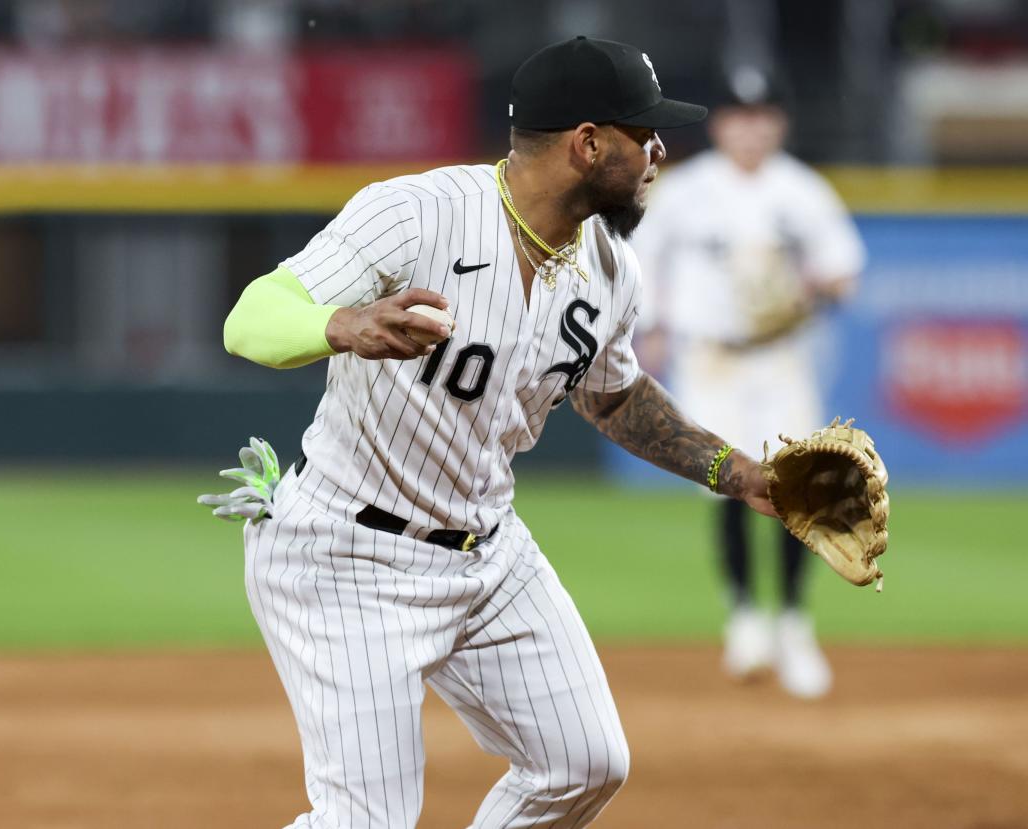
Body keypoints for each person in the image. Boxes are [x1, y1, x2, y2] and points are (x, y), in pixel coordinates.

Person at [204, 36, 779, 828]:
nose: (658, 151)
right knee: (364, 819)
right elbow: (250, 319)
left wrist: (739, 473)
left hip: (489, 550)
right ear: (586, 143)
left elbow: (614, 398)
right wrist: (344, 324)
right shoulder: (416, 215)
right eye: (642, 132)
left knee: (584, 764)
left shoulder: (610, 267)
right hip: (345, 553)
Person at [629, 65, 866, 699]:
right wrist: (651, 329)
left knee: (800, 484)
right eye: (738, 117)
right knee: (729, 483)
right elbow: (644, 263)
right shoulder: (684, 192)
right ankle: (744, 617)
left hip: (781, 357)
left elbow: (844, 270)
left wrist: (817, 283)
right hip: (710, 358)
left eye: (762, 117)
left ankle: (792, 622)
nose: (750, 129)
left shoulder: (803, 192)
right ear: (722, 125)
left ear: (779, 123)